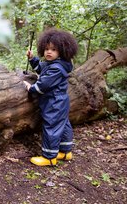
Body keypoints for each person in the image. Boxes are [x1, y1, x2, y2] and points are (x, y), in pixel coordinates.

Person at [23, 28, 78, 166]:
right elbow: (42, 68)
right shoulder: (56, 64)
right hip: (60, 101)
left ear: (62, 51)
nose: (49, 52)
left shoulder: (56, 68)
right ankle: (65, 152)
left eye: (53, 50)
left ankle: (49, 157)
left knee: (51, 126)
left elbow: (44, 84)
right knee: (63, 124)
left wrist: (31, 88)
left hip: (54, 102)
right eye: (47, 49)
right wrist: (32, 59)